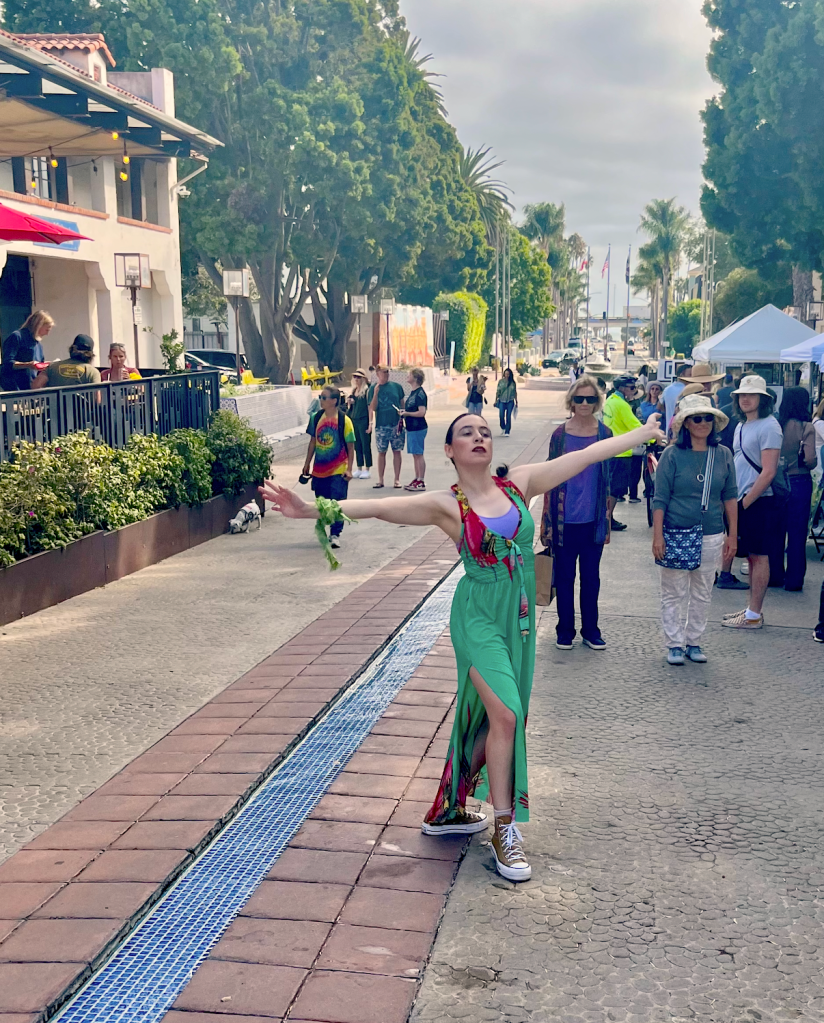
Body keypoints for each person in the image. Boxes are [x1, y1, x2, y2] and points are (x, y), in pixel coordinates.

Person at [260, 410, 664, 882]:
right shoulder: (446, 505)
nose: (479, 437)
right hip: (477, 616)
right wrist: (310, 510)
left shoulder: (520, 484)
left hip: (519, 620)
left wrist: (643, 433)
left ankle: (449, 809)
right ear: (449, 451)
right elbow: (378, 508)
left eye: (485, 432)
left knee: (498, 718)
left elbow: (587, 455)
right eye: (467, 433)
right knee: (508, 714)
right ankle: (504, 829)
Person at [652, 395, 738, 665]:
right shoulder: (672, 455)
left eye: (707, 418)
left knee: (703, 590)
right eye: (697, 418)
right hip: (676, 531)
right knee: (673, 591)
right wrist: (657, 535)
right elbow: (660, 497)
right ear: (686, 424)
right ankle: (674, 643)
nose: (703, 423)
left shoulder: (723, 454)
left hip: (711, 532)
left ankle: (694, 641)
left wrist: (732, 534)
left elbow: (730, 496)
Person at [542, 374, 613, 651]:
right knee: (564, 577)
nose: (584, 403)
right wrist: (545, 520)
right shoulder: (560, 435)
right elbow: (548, 476)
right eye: (579, 398)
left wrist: (607, 517)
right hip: (563, 520)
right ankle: (565, 630)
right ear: (572, 401)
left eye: (590, 399)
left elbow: (609, 479)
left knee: (591, 578)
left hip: (593, 519)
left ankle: (591, 629)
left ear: (597, 402)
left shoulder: (604, 434)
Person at [722, 375, 783, 630]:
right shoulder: (741, 426)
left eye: (751, 395)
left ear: (763, 399)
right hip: (741, 499)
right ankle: (751, 609)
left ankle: (754, 614)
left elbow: (768, 472)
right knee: (750, 558)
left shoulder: (769, 426)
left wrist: (744, 503)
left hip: (757, 501)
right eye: (741, 395)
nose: (745, 399)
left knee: (759, 557)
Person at [773, 386, 816, 591]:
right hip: (799, 480)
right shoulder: (806, 427)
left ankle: (774, 575)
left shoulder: (775, 424)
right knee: (797, 534)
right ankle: (794, 580)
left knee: (776, 530)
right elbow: (810, 459)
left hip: (776, 480)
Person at [302, 386, 355, 550]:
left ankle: (335, 534)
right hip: (319, 470)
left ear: (333, 401)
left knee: (337, 503)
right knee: (323, 503)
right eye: (320, 397)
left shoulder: (344, 421)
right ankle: (325, 530)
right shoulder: (316, 417)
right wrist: (307, 464)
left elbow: (350, 446)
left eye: (324, 398)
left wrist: (349, 469)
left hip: (338, 470)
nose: (321, 400)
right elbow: (312, 442)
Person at [603, 375, 639, 531]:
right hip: (621, 452)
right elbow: (635, 425)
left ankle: (607, 518)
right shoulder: (621, 404)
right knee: (616, 489)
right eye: (632, 388)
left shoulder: (610, 400)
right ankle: (607, 519)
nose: (634, 391)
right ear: (623, 388)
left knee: (611, 487)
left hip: (610, 449)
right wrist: (654, 438)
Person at [367, 364, 405, 489]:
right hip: (381, 424)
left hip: (395, 423)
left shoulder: (396, 387)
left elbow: (401, 402)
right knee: (381, 452)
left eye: (387, 372)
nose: (386, 374)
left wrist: (402, 414)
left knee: (397, 451)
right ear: (378, 374)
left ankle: (397, 479)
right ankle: (381, 479)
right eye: (384, 372)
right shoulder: (373, 388)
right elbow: (373, 407)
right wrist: (376, 394)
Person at [0, 310, 53, 391]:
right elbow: (7, 363)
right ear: (38, 325)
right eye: (47, 330)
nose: (47, 334)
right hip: (14, 389)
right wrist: (28, 364)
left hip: (30, 390)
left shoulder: (38, 345)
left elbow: (39, 370)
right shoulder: (17, 337)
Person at [33, 334, 101, 387]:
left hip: (56, 405)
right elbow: (98, 400)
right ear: (90, 354)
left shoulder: (52, 367)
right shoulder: (93, 372)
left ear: (72, 349)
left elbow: (36, 386)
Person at [401, 368, 428, 491]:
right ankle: (417, 478)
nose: (407, 376)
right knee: (415, 455)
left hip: (418, 427)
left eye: (410, 374)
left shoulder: (420, 394)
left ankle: (421, 480)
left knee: (418, 454)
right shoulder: (413, 392)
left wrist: (407, 413)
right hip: (411, 427)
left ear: (416, 378)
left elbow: (422, 412)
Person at [346, 369, 372, 480]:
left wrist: (370, 423)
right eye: (355, 377)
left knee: (366, 445)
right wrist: (349, 402)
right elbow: (350, 408)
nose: (356, 379)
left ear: (364, 379)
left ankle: (367, 468)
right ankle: (359, 467)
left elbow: (370, 408)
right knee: (357, 446)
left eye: (359, 377)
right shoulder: (354, 391)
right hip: (354, 420)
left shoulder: (366, 391)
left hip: (363, 420)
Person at [495, 368, 518, 436]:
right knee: (501, 415)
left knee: (508, 416)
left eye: (508, 374)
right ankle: (503, 427)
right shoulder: (501, 382)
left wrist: (516, 401)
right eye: (506, 374)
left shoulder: (513, 383)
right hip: (502, 400)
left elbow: (515, 392)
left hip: (510, 400)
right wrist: (496, 400)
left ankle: (507, 431)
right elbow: (498, 391)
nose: (507, 375)